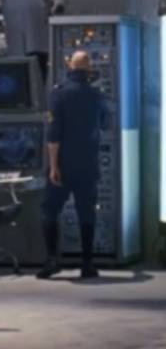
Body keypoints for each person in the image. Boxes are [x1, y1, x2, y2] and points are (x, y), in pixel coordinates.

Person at [36, 51, 110, 280]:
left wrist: (53, 166)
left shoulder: (59, 94)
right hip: (88, 164)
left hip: (63, 163)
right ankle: (87, 264)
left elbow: (53, 134)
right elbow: (106, 123)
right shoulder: (96, 94)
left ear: (69, 66)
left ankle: (52, 260)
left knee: (50, 210)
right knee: (87, 213)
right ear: (89, 69)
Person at [0, 0, 51, 82]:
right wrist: (47, 13)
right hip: (37, 33)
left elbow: (3, 3)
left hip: (15, 37)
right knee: (39, 72)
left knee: (21, 74)